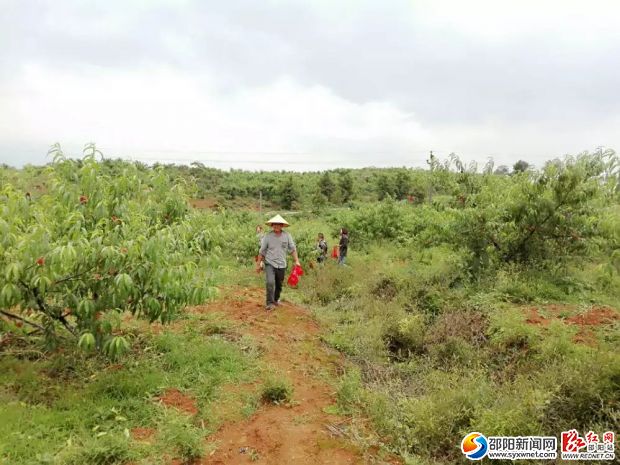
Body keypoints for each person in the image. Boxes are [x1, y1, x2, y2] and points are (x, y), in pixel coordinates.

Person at [256, 214, 301, 310]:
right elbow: (262, 251)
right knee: (270, 282)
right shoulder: (267, 237)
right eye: (275, 224)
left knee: (279, 284)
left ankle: (275, 300)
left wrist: (296, 260)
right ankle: (269, 303)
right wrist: (258, 264)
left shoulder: (287, 236)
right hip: (269, 263)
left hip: (282, 265)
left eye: (279, 224)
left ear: (282, 225)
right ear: (272, 225)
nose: (276, 226)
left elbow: (292, 249)